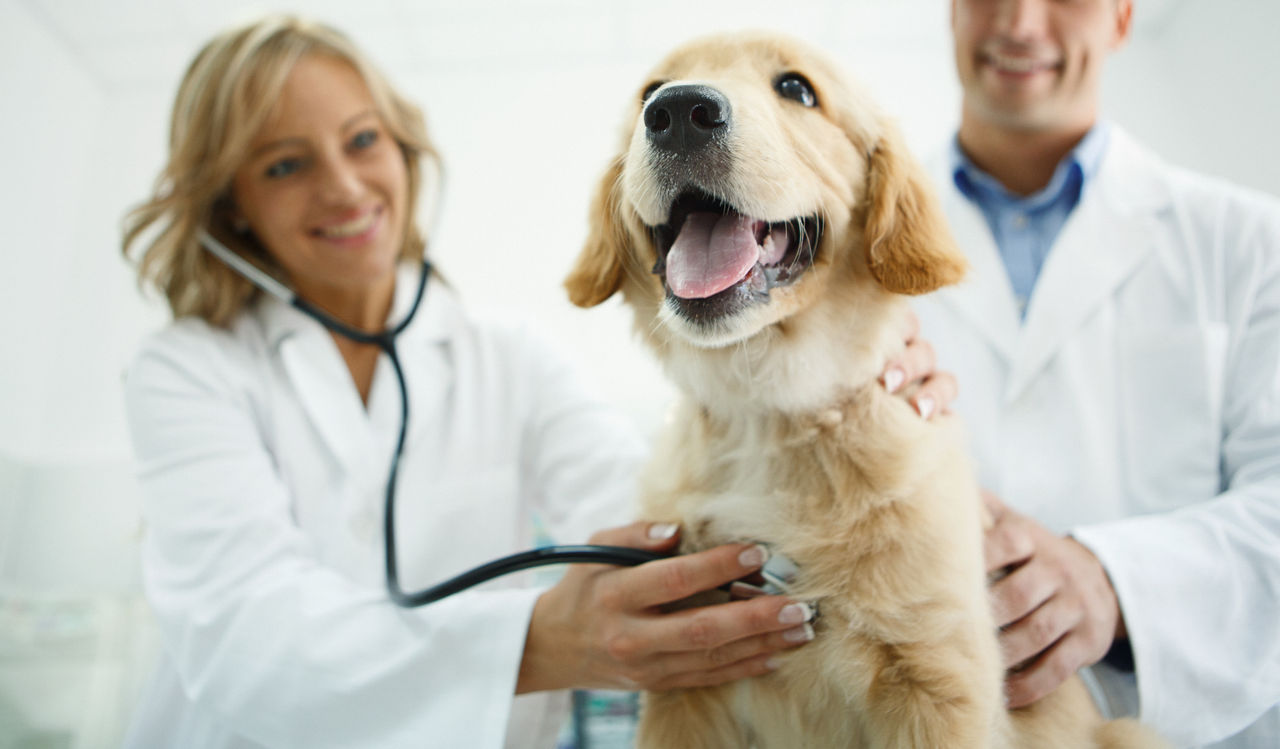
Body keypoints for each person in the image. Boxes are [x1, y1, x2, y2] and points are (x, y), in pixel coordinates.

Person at [119, 16, 951, 748]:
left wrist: (850, 376)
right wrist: (538, 641)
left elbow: (649, 519)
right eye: (283, 165)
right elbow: (242, 633)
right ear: (232, 208)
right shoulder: (187, 371)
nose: (342, 186)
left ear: (406, 151)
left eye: (363, 140)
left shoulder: (508, 356)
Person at [913, 1, 1280, 747]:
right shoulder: (846, 251)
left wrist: (1116, 581)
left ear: (1120, 19)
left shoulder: (1248, 246)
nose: (1020, 23)